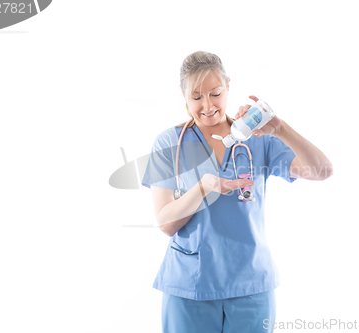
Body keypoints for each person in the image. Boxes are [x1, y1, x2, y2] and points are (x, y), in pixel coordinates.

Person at [141, 50, 333, 333]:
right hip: (189, 285)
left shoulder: (259, 140)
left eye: (215, 93)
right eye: (196, 97)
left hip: (250, 285)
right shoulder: (169, 143)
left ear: (229, 86)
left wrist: (281, 129)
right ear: (183, 95)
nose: (207, 105)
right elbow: (166, 223)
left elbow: (322, 171)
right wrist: (203, 189)